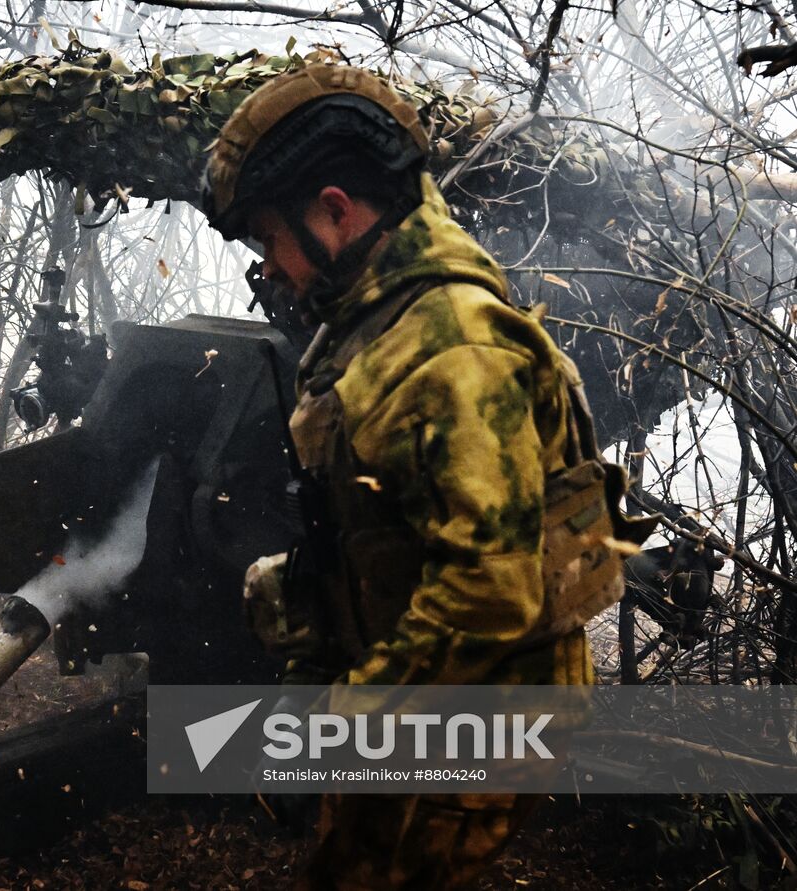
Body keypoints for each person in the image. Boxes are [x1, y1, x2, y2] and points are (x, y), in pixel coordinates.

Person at [203, 65, 651, 888]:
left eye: (272, 237)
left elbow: (488, 590)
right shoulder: (373, 325)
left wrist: (341, 727)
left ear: (335, 212)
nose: (270, 266)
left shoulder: (451, 350)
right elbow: (359, 534)